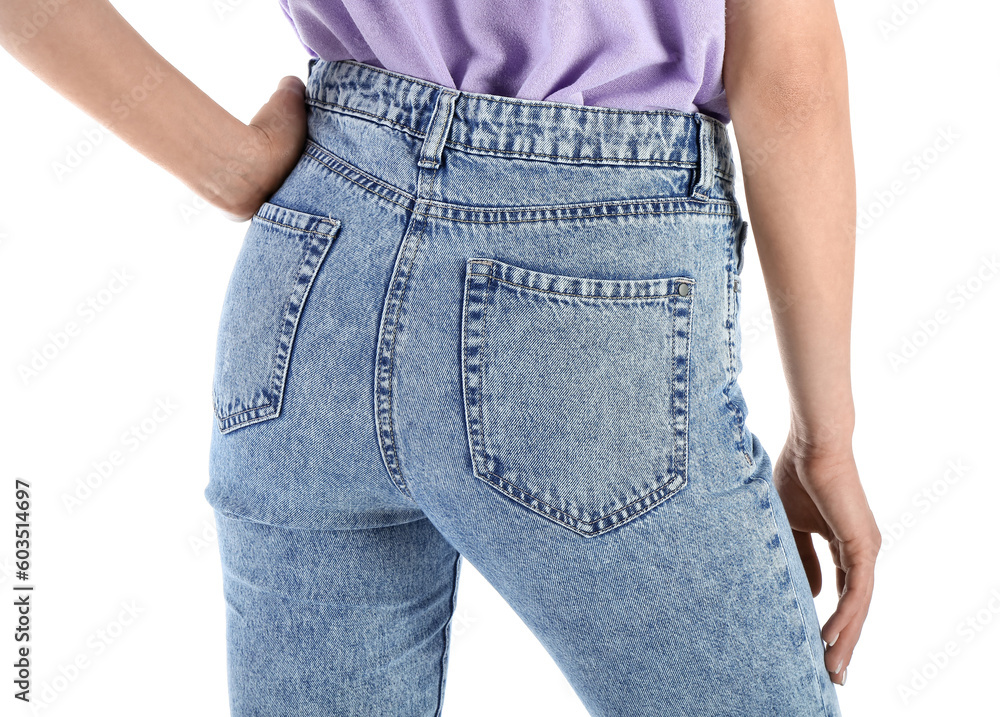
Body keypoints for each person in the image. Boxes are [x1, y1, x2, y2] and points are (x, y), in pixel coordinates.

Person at [1, 0, 881, 714]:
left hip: (315, 265)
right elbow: (790, 74)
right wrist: (824, 436)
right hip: (589, 284)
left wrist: (226, 163)